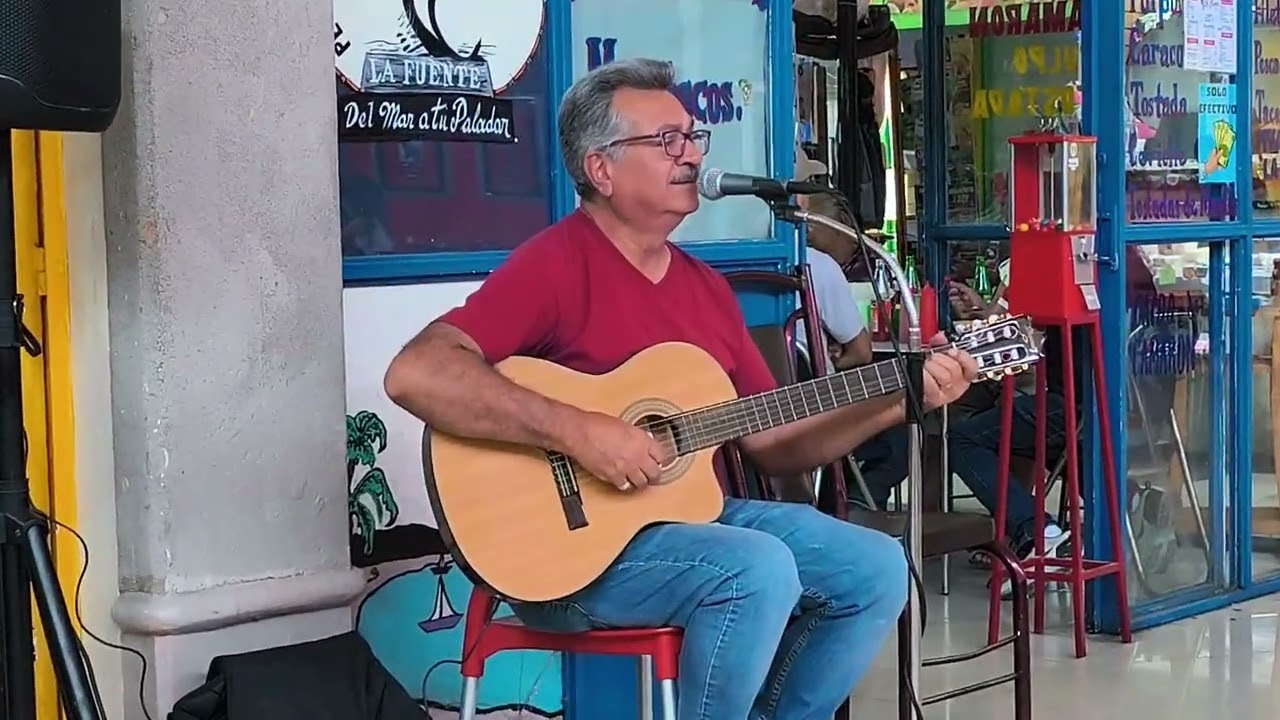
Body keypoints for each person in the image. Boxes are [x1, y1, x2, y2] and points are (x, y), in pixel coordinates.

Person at [383, 58, 978, 719]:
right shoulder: (556, 265)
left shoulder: (706, 289)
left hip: (697, 525)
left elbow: (776, 442)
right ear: (600, 168)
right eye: (666, 140)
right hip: (577, 558)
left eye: (694, 137)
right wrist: (579, 431)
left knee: (875, 568)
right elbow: (417, 373)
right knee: (756, 569)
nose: (691, 154)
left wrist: (898, 399)